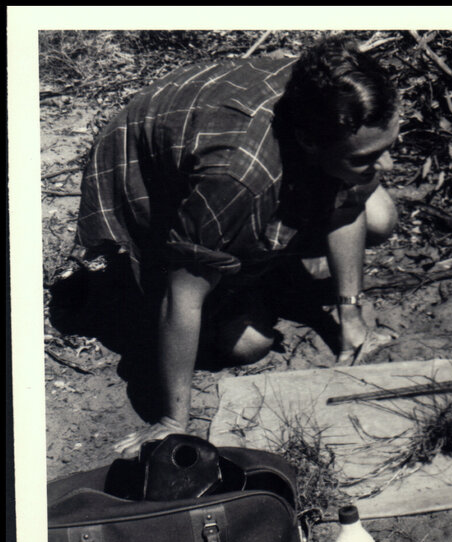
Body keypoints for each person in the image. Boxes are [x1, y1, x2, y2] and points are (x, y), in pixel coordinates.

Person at [76, 36, 400, 455]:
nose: (387, 166)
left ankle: (256, 264)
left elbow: (347, 202)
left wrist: (350, 315)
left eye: (388, 147)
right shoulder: (238, 178)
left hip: (229, 156)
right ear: (309, 142)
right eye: (365, 158)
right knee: (247, 343)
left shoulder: (332, 98)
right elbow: (183, 295)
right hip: (150, 190)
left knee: (380, 216)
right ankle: (239, 274)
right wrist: (174, 421)